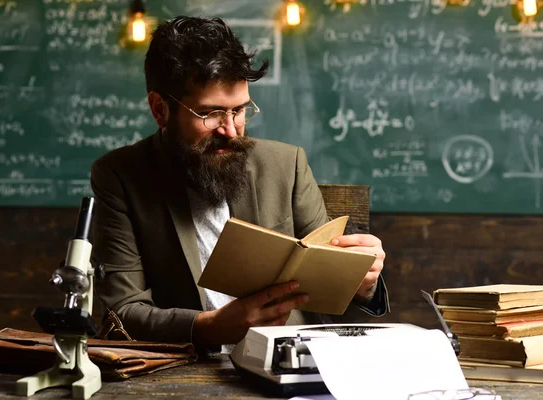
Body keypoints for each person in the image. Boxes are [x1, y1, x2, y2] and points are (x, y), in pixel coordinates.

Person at [90, 16, 389, 350]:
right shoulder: (118, 175)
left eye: (240, 110)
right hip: (185, 368)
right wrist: (208, 327)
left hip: (284, 360)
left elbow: (328, 294)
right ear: (160, 110)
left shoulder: (286, 165)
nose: (230, 130)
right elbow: (124, 311)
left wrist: (363, 283)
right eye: (211, 114)